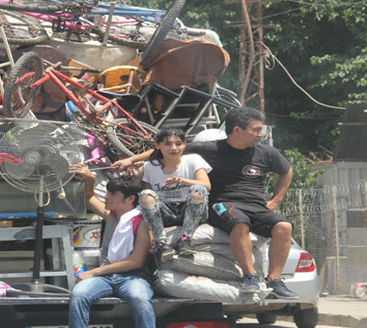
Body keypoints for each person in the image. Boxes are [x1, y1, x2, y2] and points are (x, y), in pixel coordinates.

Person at [113, 107, 297, 298]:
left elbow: (287, 171)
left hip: (257, 206)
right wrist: (130, 160)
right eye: (256, 130)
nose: (261, 134)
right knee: (240, 223)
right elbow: (166, 152)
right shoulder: (210, 149)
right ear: (237, 130)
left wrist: (276, 200)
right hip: (223, 204)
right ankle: (250, 276)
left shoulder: (266, 152)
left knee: (284, 226)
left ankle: (274, 280)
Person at [66, 170, 162, 328]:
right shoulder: (112, 216)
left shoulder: (142, 222)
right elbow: (90, 197)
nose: (107, 198)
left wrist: (93, 272)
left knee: (139, 298)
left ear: (130, 199)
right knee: (79, 294)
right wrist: (90, 181)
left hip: (133, 276)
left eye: (112, 194)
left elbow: (135, 262)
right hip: (107, 276)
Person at [135, 128, 211, 262]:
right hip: (166, 213)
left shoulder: (193, 159)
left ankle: (185, 239)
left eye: (178, 143)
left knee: (198, 189)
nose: (174, 148)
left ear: (185, 144)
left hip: (190, 210)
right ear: (157, 145)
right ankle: (161, 243)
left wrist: (181, 181)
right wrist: (136, 175)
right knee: (146, 194)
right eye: (168, 144)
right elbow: (149, 198)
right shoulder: (149, 167)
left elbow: (206, 185)